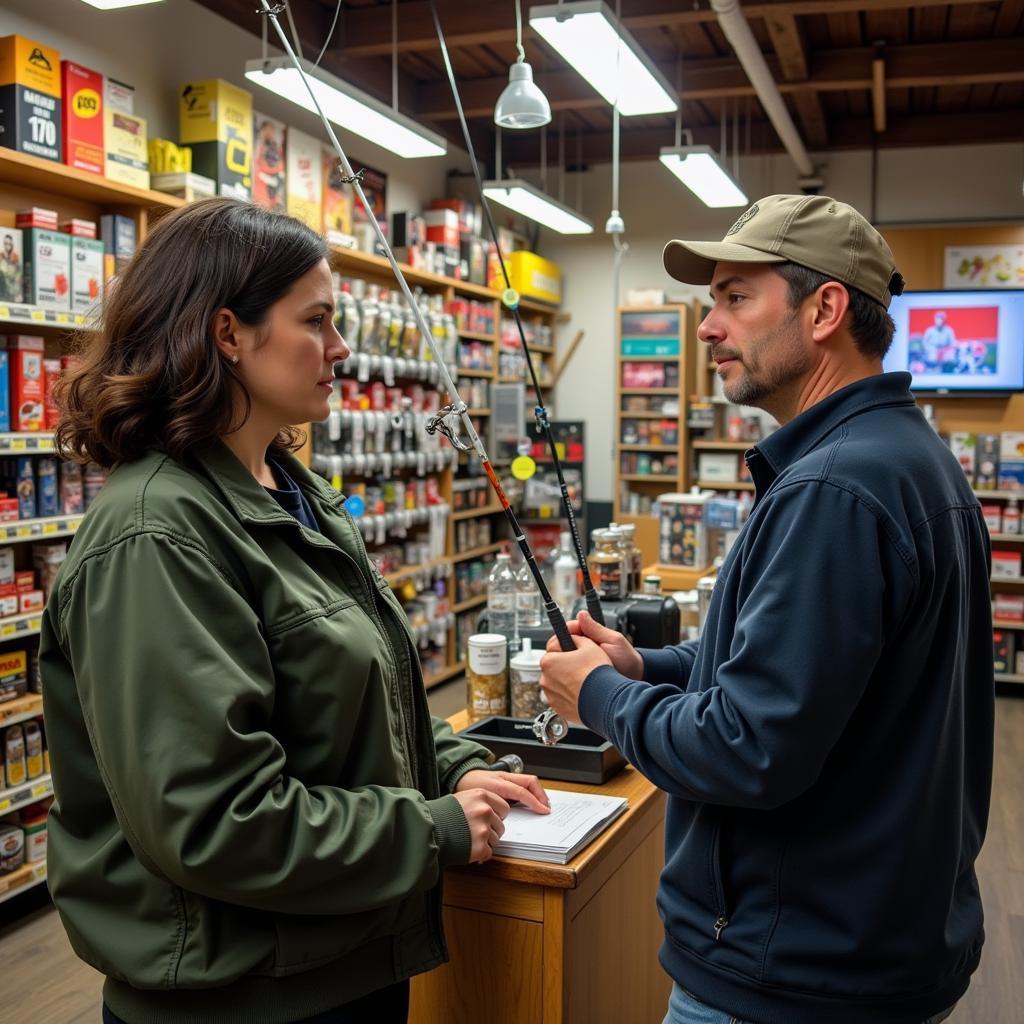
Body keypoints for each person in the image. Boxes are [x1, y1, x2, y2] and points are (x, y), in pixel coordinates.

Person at [40, 197, 549, 1024]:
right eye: (316, 320)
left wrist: (453, 767)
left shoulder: (290, 488)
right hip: (240, 997)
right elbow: (214, 819)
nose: (342, 349)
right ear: (228, 333)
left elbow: (346, 705)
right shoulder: (155, 535)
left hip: (341, 960)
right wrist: (435, 829)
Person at [541, 194, 993, 1024]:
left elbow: (746, 749)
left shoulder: (836, 487)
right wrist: (645, 667)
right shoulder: (903, 457)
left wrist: (598, 698)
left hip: (793, 975)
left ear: (823, 309)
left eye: (734, 297)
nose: (708, 326)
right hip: (866, 945)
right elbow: (821, 679)